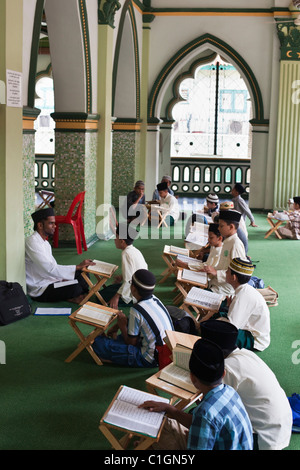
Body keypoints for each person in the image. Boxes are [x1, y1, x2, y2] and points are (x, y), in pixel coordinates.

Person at [139, 337, 253, 450]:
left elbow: (205, 420)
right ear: (223, 373)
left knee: (160, 430)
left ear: (192, 378)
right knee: (166, 425)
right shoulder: (229, 391)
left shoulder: (205, 413)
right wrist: (169, 408)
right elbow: (204, 422)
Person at [199, 319, 293, 450]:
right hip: (282, 426)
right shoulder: (246, 354)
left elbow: (212, 407)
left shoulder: (228, 368)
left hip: (264, 438)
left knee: (204, 421)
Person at [92, 269, 174, 367]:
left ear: (133, 288)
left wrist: (122, 326)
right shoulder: (155, 299)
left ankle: (111, 357)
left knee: (97, 343)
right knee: (114, 339)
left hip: (149, 359)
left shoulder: (136, 310)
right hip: (166, 352)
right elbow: (137, 321)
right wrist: (116, 327)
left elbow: (131, 343)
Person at [25, 208, 95, 303]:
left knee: (83, 274)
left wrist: (63, 278)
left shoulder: (45, 243)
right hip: (42, 288)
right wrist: (77, 267)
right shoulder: (32, 242)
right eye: (51, 223)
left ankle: (75, 295)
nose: (55, 226)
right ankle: (75, 295)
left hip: (53, 280)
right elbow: (50, 268)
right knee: (76, 287)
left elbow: (54, 266)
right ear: (40, 225)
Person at [219, 257, 270, 351]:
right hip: (248, 328)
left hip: (254, 339)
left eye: (227, 271)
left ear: (234, 277)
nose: (225, 273)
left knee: (219, 333)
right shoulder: (244, 290)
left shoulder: (242, 296)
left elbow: (231, 328)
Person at [101, 223, 148, 310]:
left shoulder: (126, 254)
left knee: (101, 296)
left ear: (122, 241)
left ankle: (127, 301)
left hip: (135, 293)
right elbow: (135, 271)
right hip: (141, 288)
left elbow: (128, 280)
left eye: (116, 237)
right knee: (110, 288)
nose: (114, 240)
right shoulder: (135, 250)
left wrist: (116, 297)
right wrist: (122, 277)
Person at [202, 209, 246, 300]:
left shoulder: (236, 244)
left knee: (195, 297)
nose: (218, 228)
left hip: (225, 290)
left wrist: (216, 273)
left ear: (231, 227)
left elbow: (238, 274)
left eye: (221, 226)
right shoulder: (227, 241)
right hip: (217, 283)